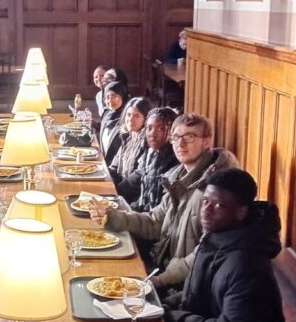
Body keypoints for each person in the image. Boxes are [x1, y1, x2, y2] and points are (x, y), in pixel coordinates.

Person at [165, 169, 288, 322]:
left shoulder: (246, 265)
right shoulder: (219, 238)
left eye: (218, 205)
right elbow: (197, 291)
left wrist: (174, 319)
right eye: (205, 201)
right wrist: (160, 303)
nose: (206, 210)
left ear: (241, 212)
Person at [91, 112, 238, 295]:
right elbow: (155, 221)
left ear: (207, 142)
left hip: (186, 288)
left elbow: (206, 253)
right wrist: (111, 216)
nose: (180, 144)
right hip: (164, 270)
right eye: (176, 137)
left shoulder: (216, 191)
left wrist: (161, 280)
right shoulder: (177, 177)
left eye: (189, 136)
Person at [117, 106, 178, 211]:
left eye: (160, 129)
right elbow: (131, 183)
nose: (153, 134)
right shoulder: (149, 154)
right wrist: (109, 193)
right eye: (149, 128)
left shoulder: (175, 161)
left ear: (172, 132)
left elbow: (158, 211)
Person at [108, 96, 150, 185]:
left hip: (129, 191)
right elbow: (114, 165)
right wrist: (106, 175)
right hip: (119, 184)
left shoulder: (147, 141)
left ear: (145, 119)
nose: (130, 119)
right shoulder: (128, 136)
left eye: (137, 116)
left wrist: (117, 189)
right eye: (128, 114)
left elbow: (138, 176)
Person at [99, 81, 129, 166]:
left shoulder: (127, 119)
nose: (110, 100)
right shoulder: (106, 114)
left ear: (123, 96)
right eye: (107, 97)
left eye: (114, 96)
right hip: (103, 163)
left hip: (116, 167)